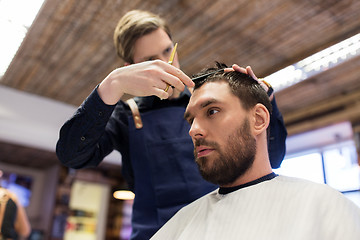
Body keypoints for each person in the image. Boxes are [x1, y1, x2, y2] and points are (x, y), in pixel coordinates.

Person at [56, 10, 287, 239]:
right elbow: (72, 156)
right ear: (130, 67)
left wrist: (266, 102)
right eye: (150, 60)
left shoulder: (209, 104)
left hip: (219, 230)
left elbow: (273, 158)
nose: (166, 63)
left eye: (168, 51)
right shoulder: (126, 116)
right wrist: (112, 85)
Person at [151, 63, 360, 239]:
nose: (193, 130)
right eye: (191, 120)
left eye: (212, 111)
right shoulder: (181, 225)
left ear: (258, 119)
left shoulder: (322, 208)